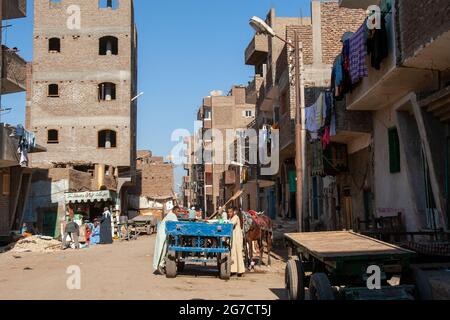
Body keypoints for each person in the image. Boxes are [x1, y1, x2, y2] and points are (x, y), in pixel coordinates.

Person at [153, 206, 180, 274]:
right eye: (177, 211)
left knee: (163, 249)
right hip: (163, 235)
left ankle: (159, 265)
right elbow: (178, 224)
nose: (178, 213)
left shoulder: (170, 214)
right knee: (162, 250)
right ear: (174, 210)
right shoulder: (172, 215)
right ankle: (159, 266)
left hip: (163, 234)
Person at [227, 207, 245, 277]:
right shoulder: (230, 218)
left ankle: (240, 271)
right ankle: (234, 270)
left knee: (238, 253)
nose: (229, 213)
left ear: (233, 212)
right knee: (233, 253)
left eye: (230, 212)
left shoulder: (235, 217)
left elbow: (231, 225)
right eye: (228, 212)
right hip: (233, 238)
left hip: (237, 238)